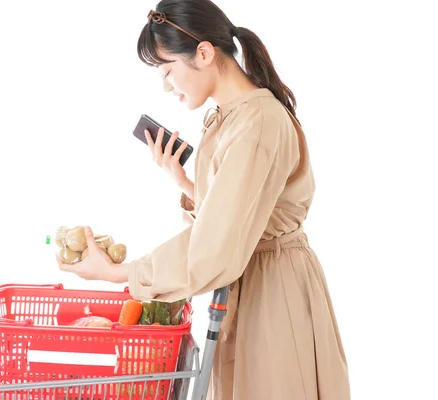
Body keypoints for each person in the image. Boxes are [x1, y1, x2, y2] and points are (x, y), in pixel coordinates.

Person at [57, 0, 351, 398]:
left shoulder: (258, 121)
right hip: (252, 282)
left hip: (273, 294)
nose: (165, 85)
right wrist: (181, 179)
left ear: (204, 53)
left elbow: (215, 245)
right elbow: (245, 211)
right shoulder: (233, 115)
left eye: (167, 70)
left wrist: (117, 273)